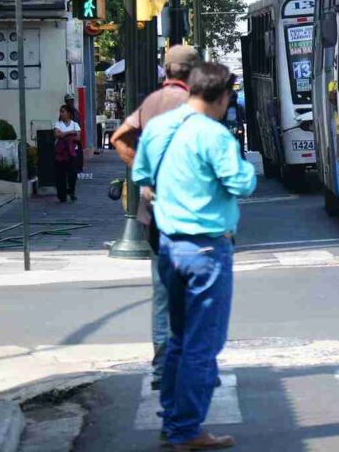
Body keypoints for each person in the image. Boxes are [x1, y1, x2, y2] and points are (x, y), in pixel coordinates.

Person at [132, 63, 256, 450]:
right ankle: (187, 429)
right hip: (207, 248)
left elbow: (141, 173)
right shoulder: (214, 136)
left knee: (179, 340)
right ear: (222, 97)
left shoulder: (158, 128)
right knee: (203, 344)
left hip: (169, 245)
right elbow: (242, 182)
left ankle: (173, 421)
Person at [111, 45, 200, 392]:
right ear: (192, 74)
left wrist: (144, 174)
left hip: (155, 217)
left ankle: (163, 368)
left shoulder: (150, 104)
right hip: (190, 217)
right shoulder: (195, 107)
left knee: (163, 296)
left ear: (166, 71)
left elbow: (119, 137)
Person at [53, 105, 81, 202]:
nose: (61, 114)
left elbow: (77, 138)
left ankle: (71, 191)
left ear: (69, 113)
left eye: (63, 111)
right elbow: (57, 134)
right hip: (60, 153)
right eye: (60, 112)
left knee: (72, 173)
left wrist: (63, 134)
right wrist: (70, 133)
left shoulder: (75, 124)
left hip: (71, 153)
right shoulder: (58, 124)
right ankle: (62, 195)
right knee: (60, 174)